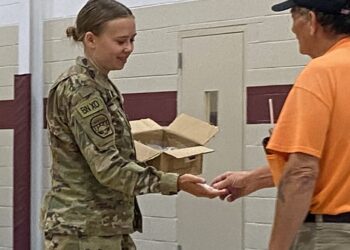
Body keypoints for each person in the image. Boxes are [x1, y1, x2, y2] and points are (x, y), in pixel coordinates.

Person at [40, 0, 225, 249]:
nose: (128, 48)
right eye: (120, 41)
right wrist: (174, 181)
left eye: (132, 40)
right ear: (90, 40)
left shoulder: (100, 85)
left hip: (104, 224)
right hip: (82, 230)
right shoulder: (81, 89)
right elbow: (109, 168)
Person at [212, 0, 350, 249]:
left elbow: (302, 172)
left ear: (311, 21)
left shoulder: (322, 72)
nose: (292, 29)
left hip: (335, 233)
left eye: (293, 16)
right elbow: (337, 162)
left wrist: (277, 246)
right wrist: (253, 179)